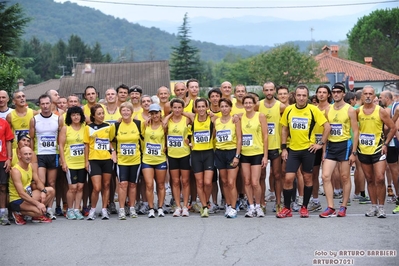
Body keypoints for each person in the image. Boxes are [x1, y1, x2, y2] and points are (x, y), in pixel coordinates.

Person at [278, 84, 331, 218]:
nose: (301, 98)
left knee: (308, 178)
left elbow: (327, 127)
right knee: (288, 178)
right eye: (299, 95)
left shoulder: (313, 110)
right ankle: (287, 208)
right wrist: (284, 148)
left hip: (308, 150)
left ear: (307, 97)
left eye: (304, 95)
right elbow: (284, 129)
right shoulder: (289, 110)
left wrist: (320, 144)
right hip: (293, 150)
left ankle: (304, 207)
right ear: (294, 96)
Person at [319, 82, 359, 218]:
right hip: (331, 146)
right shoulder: (328, 110)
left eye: (338, 92)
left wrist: (354, 152)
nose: (336, 94)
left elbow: (355, 131)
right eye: (334, 92)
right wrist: (324, 150)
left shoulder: (350, 110)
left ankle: (343, 206)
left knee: (345, 177)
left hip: (345, 145)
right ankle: (330, 206)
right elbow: (326, 130)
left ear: (343, 94)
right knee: (325, 176)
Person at [357, 86, 396, 218]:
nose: (368, 96)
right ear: (362, 96)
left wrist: (386, 144)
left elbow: (393, 128)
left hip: (378, 149)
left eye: (370, 94)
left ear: (375, 97)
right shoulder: (358, 112)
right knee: (369, 179)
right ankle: (373, 206)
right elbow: (355, 130)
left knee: (379, 178)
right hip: (363, 149)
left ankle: (381, 207)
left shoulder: (381, 111)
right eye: (365, 94)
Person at [29, 94, 61, 220]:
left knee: (52, 182)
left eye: (47, 103)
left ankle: (49, 209)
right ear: (39, 105)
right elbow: (31, 139)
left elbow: (60, 138)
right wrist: (32, 155)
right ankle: (41, 208)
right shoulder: (34, 119)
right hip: (40, 154)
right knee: (40, 182)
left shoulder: (58, 119)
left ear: (51, 103)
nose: (45, 106)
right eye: (42, 104)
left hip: (53, 153)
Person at [183, 99, 215, 217]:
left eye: (203, 106)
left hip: (208, 153)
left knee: (207, 182)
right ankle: (204, 206)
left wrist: (213, 114)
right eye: (199, 107)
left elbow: (226, 118)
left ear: (207, 107)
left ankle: (205, 201)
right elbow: (179, 110)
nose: (201, 109)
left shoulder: (212, 118)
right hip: (196, 154)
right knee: (199, 182)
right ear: (195, 108)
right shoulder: (192, 117)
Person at [84, 104, 116, 220]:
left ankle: (104, 209)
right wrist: (86, 161)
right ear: (93, 115)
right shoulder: (88, 127)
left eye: (102, 113)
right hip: (94, 160)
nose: (101, 116)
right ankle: (92, 209)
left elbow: (110, 141)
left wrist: (113, 151)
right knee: (96, 187)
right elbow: (86, 145)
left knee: (106, 185)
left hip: (106, 159)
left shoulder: (108, 127)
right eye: (99, 114)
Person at [258, 82, 286, 213]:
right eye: (266, 90)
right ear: (263, 91)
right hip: (261, 146)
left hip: (276, 145)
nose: (269, 92)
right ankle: (262, 202)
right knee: (261, 175)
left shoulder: (281, 106)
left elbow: (287, 125)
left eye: (271, 90)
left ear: (275, 90)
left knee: (277, 174)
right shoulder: (258, 105)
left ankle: (278, 202)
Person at [112, 102, 142, 219]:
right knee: (122, 184)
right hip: (122, 161)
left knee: (133, 184)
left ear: (131, 112)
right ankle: (121, 209)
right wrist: (113, 152)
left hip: (135, 159)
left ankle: (132, 207)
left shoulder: (138, 124)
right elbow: (109, 140)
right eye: (123, 110)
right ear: (120, 112)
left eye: (128, 110)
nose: (125, 112)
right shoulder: (116, 126)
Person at [9, 147, 55, 225]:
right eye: (25, 154)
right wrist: (38, 204)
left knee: (50, 190)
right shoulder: (15, 171)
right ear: (19, 155)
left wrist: (43, 191)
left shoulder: (30, 166)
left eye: (30, 154)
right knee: (40, 212)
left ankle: (34, 215)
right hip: (17, 200)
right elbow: (21, 194)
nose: (28, 156)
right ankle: (17, 212)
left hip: (28, 196)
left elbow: (37, 181)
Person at [240, 95, 268, 218]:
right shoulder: (240, 117)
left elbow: (265, 136)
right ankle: (251, 207)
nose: (248, 105)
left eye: (250, 103)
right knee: (246, 181)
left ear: (254, 104)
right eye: (245, 103)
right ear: (243, 104)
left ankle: (259, 206)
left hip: (257, 152)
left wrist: (265, 156)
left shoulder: (260, 116)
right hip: (244, 153)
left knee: (255, 182)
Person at [213, 98, 242, 218]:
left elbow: (240, 138)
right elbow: (215, 136)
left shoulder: (235, 120)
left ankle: (234, 207)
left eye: (226, 106)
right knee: (224, 182)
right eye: (222, 106)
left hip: (231, 152)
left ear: (230, 108)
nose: (224, 109)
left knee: (231, 182)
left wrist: (237, 155)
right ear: (219, 108)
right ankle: (228, 204)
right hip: (220, 153)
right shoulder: (216, 121)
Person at [164, 98, 192, 217]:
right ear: (171, 108)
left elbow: (194, 117)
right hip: (172, 154)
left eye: (179, 107)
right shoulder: (169, 120)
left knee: (185, 181)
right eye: (174, 107)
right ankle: (177, 206)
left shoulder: (186, 119)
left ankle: (185, 206)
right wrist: (171, 114)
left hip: (184, 153)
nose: (177, 110)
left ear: (183, 108)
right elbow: (163, 124)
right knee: (175, 181)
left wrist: (182, 112)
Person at [58, 106, 86, 220]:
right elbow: (61, 145)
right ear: (69, 117)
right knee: (72, 187)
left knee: (80, 187)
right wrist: (63, 162)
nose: (76, 117)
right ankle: (69, 209)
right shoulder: (66, 128)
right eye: (73, 115)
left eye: (78, 114)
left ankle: (76, 209)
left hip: (82, 162)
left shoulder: (85, 127)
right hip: (70, 163)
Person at [142, 103, 167, 218]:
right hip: (147, 159)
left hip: (160, 158)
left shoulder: (164, 125)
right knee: (149, 184)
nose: (155, 115)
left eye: (156, 113)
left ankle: (160, 207)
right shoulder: (145, 125)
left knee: (161, 185)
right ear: (149, 114)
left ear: (160, 113)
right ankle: (151, 209)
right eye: (152, 113)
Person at [0, 116, 13, 225]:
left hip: (2, 159)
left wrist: (9, 158)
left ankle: (3, 212)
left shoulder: (3, 123)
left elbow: (9, 141)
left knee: (3, 186)